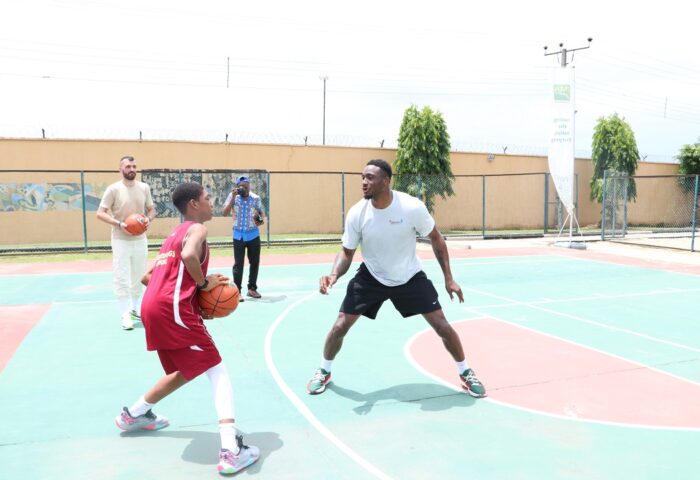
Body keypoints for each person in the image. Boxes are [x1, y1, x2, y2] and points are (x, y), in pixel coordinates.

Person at [306, 159, 487, 398]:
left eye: (370, 178)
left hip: (410, 276)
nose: (364, 182)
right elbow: (347, 251)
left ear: (386, 181)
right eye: (362, 177)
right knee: (340, 325)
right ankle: (324, 370)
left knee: (442, 326)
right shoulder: (357, 213)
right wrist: (333, 275)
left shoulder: (411, 207)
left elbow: (436, 238)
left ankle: (465, 372)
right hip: (372, 276)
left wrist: (449, 279)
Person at [114, 182, 259, 476]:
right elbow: (190, 256)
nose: (211, 201)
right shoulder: (196, 230)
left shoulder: (171, 237)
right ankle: (231, 451)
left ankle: (134, 414)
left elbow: (147, 278)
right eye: (207, 198)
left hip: (152, 306)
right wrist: (203, 286)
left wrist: (193, 296)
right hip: (172, 309)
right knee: (216, 367)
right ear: (193, 204)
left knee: (186, 369)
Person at [96, 155, 156, 330]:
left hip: (140, 239)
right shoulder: (113, 189)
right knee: (121, 277)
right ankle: (124, 314)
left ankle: (133, 309)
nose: (132, 169)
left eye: (134, 166)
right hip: (121, 238)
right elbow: (100, 213)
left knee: (138, 276)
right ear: (120, 169)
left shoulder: (144, 187)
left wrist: (148, 220)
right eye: (128, 166)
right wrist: (119, 224)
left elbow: (151, 210)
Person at [222, 175, 266, 301]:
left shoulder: (255, 198)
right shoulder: (233, 197)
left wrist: (261, 220)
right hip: (238, 235)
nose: (244, 189)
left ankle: (252, 289)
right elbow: (224, 212)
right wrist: (233, 198)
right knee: (238, 264)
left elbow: (262, 213)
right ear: (237, 187)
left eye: (246, 187)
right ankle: (237, 291)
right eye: (241, 187)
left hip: (253, 235)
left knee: (255, 262)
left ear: (249, 186)